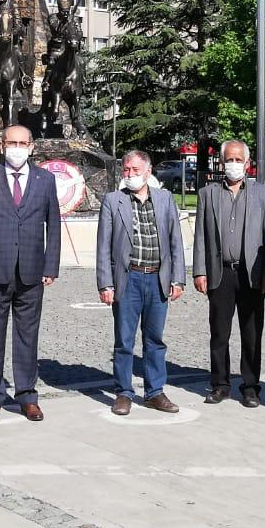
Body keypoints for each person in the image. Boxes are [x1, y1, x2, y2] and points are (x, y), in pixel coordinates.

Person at [0, 124, 60, 421]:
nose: (17, 148)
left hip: (32, 271)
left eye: (23, 142)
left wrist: (51, 265)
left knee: (27, 336)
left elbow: (53, 225)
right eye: (11, 143)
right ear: (2, 145)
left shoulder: (45, 179)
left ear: (32, 146)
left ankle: (27, 395)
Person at [98, 150, 187, 415]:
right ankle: (123, 392)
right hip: (128, 278)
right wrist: (105, 284)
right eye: (126, 170)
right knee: (124, 341)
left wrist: (178, 278)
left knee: (155, 339)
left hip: (157, 277)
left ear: (148, 172)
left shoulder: (164, 199)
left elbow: (175, 241)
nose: (130, 175)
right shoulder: (113, 201)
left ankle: (154, 392)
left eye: (135, 170)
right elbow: (103, 245)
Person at [191, 139, 265, 406]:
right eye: (229, 159)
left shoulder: (263, 194)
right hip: (220, 272)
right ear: (221, 162)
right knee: (219, 332)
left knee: (251, 333)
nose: (234, 164)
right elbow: (201, 235)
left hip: (251, 273)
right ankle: (220, 384)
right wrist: (199, 271)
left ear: (247, 164)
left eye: (239, 160)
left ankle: (250, 386)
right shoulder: (208, 193)